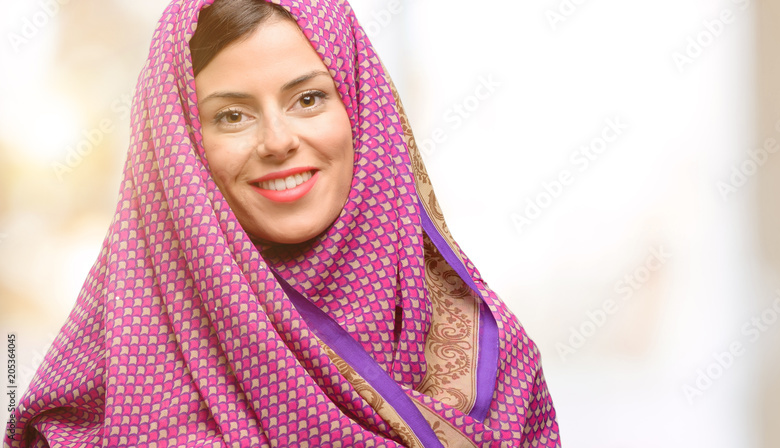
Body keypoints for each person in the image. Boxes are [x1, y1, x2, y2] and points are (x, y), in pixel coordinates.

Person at [5, 0, 560, 446]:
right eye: (232, 115)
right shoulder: (92, 408)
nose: (278, 141)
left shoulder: (497, 359)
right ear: (179, 150)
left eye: (310, 98)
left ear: (364, 113)